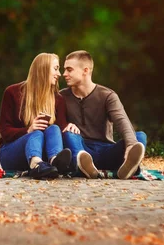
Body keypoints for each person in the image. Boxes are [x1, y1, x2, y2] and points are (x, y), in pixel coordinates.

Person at [60, 50, 146, 179]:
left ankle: (126, 168)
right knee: (69, 135)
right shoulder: (61, 97)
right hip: (81, 148)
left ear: (85, 70)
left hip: (107, 150)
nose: (64, 74)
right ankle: (83, 167)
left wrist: (130, 145)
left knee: (139, 137)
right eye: (64, 70)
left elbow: (122, 122)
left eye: (69, 69)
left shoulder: (107, 95)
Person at [0, 53, 72, 179]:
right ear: (43, 69)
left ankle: (55, 161)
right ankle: (36, 165)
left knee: (54, 129)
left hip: (45, 157)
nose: (59, 74)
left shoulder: (58, 99)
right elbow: (5, 132)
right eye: (55, 68)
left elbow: (60, 130)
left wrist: (69, 127)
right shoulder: (13, 92)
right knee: (36, 133)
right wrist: (28, 130)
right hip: (11, 154)